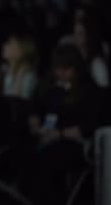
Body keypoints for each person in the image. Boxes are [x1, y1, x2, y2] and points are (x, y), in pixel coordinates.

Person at [24, 44, 103, 205]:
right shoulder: (49, 85)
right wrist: (34, 122)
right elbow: (35, 107)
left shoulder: (89, 91)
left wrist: (59, 133)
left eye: (66, 69)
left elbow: (89, 125)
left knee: (47, 161)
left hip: (72, 142)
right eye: (57, 68)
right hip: (45, 135)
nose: (60, 73)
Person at [2, 34, 38, 99]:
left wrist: (20, 76)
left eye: (10, 44)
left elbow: (16, 101)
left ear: (22, 50)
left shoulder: (29, 76)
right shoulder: (3, 69)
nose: (5, 46)